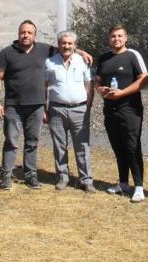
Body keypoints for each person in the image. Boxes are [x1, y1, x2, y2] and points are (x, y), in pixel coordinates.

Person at [0, 20, 92, 190]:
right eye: (23, 32)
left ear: (34, 35)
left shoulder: (44, 50)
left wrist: (80, 52)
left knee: (32, 142)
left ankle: (30, 175)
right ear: (18, 33)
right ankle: (6, 176)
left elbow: (65, 48)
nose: (26, 35)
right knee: (11, 141)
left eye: (29, 33)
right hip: (13, 106)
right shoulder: (6, 53)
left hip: (36, 106)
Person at [95, 24, 148, 203]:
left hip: (130, 109)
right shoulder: (103, 58)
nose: (116, 39)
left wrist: (122, 93)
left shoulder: (133, 55)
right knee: (118, 147)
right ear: (108, 38)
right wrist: (100, 90)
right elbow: (97, 80)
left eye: (119, 36)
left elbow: (144, 79)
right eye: (113, 36)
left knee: (132, 147)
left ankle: (139, 187)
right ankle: (124, 183)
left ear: (126, 38)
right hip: (110, 109)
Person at [44, 30, 95, 193]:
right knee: (59, 145)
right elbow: (44, 87)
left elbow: (89, 85)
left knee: (82, 145)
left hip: (79, 109)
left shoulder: (83, 61)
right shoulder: (50, 62)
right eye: (63, 43)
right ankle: (63, 177)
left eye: (70, 43)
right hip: (56, 109)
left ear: (75, 45)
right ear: (58, 45)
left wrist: (88, 106)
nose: (66, 46)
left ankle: (86, 180)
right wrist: (45, 109)